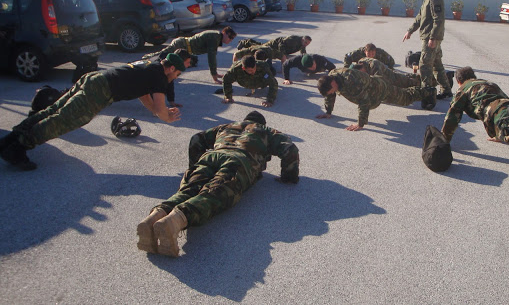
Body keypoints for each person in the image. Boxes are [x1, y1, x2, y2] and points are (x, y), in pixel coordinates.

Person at [136, 111, 299, 257]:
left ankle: (156, 216)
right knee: (216, 193)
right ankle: (177, 220)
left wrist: (194, 166)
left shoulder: (227, 126)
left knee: (189, 188)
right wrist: (288, 176)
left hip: (211, 156)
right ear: (262, 123)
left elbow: (196, 140)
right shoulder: (266, 131)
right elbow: (290, 149)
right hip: (238, 161)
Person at [0, 54, 186, 170]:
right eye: (176, 74)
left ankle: (11, 138)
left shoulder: (151, 66)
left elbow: (144, 93)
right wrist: (167, 117)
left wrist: (154, 109)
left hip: (94, 78)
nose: (174, 78)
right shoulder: (160, 76)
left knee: (53, 110)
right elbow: (162, 110)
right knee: (63, 120)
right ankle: (18, 148)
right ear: (170, 68)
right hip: (101, 90)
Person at [315, 67, 433, 131]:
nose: (332, 94)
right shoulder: (331, 77)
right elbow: (330, 95)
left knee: (406, 98)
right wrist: (328, 112)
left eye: (331, 91)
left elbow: (364, 102)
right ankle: (419, 81)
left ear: (333, 83)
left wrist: (360, 123)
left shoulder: (351, 82)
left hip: (380, 89)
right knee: (404, 89)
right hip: (371, 91)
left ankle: (430, 90)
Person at [402, 0, 452, 110]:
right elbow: (419, 17)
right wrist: (410, 31)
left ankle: (427, 95)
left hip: (431, 37)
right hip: (429, 36)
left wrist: (433, 38)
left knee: (424, 65)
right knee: (436, 64)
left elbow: (438, 19)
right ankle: (447, 90)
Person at [143, 27, 237, 84]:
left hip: (185, 48)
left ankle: (149, 66)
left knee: (165, 60)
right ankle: (145, 61)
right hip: (181, 45)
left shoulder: (216, 37)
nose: (230, 40)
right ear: (224, 33)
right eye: (230, 37)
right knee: (161, 56)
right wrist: (214, 75)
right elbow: (211, 57)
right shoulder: (215, 37)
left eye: (232, 39)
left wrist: (214, 73)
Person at [237, 35, 311, 64]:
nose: (306, 44)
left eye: (307, 44)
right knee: (259, 47)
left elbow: (303, 53)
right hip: (274, 44)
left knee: (260, 45)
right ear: (302, 39)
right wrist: (283, 55)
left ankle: (247, 42)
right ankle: (244, 42)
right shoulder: (293, 39)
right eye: (305, 42)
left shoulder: (302, 44)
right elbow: (281, 44)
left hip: (277, 47)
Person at [352, 57, 420, 88]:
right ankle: (416, 76)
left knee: (409, 82)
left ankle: (424, 81)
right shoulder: (361, 61)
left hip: (391, 78)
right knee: (405, 76)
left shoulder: (374, 65)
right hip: (387, 73)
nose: (362, 74)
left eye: (362, 72)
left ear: (362, 66)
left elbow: (378, 80)